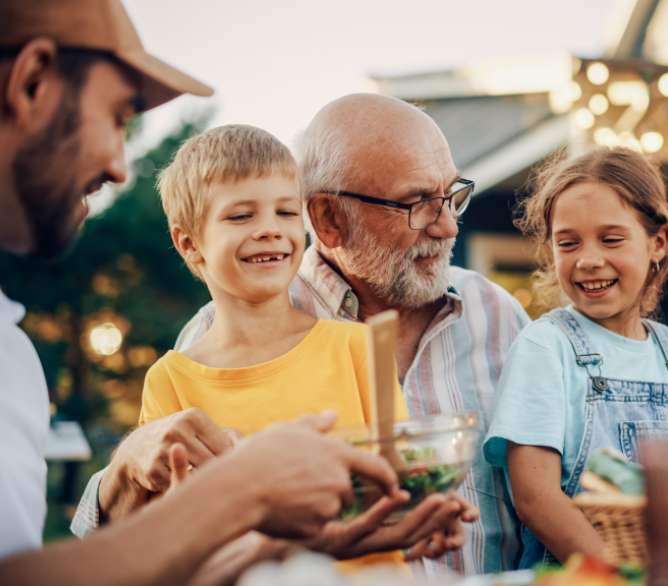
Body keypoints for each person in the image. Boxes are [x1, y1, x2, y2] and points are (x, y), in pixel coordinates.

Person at [0, 1, 405, 583]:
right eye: (118, 115)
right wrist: (250, 493)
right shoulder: (171, 377)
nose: (120, 167)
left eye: (284, 212)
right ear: (32, 81)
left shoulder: (11, 351)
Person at [76, 93, 531, 576]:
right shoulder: (190, 356)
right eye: (416, 203)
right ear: (328, 219)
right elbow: (157, 533)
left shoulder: (497, 316)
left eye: (451, 196)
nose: (446, 225)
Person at [142, 122, 475, 570]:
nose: (269, 230)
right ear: (190, 244)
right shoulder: (171, 382)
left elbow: (396, 485)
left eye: (284, 213)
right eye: (241, 216)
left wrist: (428, 514)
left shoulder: (359, 346)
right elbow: (173, 536)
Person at [482, 147, 668, 566]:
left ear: (659, 241)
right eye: (568, 243)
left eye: (611, 239)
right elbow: (536, 499)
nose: (588, 260)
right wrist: (621, 575)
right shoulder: (546, 347)